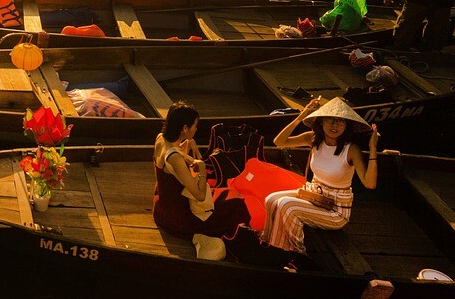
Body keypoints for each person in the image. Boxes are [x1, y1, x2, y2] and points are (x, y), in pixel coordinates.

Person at [261, 96, 379, 254]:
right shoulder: (313, 139)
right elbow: (279, 142)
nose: (335, 125)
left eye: (340, 121)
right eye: (330, 120)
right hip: (313, 195)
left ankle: (296, 252)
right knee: (271, 199)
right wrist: (302, 115)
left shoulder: (351, 149)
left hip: (335, 211)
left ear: (346, 126)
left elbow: (369, 183)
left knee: (287, 205)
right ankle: (270, 242)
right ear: (321, 122)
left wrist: (373, 148)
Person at [153, 102, 250, 244]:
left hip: (163, 205)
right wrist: (203, 169)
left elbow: (170, 166)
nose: (196, 129)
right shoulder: (175, 158)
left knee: (225, 195)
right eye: (195, 125)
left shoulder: (160, 138)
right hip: (178, 217)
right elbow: (199, 195)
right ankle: (239, 241)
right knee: (236, 202)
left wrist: (187, 142)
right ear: (185, 128)